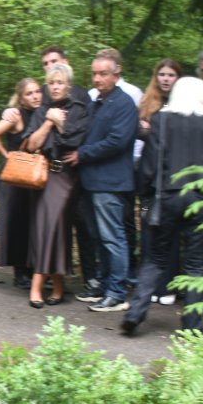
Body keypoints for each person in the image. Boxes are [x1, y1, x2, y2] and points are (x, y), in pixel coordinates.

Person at [122, 77, 203, 335]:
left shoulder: (161, 120)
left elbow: (149, 163)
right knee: (194, 264)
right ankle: (192, 325)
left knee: (156, 258)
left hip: (166, 197)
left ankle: (135, 313)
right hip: (199, 199)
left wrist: (144, 196)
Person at [64, 50, 138, 312]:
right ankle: (105, 286)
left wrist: (82, 154)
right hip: (92, 182)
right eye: (94, 74)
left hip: (110, 183)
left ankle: (117, 293)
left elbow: (117, 141)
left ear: (116, 74)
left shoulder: (124, 104)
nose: (97, 79)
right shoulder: (97, 103)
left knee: (112, 238)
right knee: (99, 239)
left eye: (103, 74)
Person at [20, 64, 88, 307]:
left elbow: (75, 139)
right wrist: (50, 122)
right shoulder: (43, 111)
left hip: (67, 178)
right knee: (48, 228)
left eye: (60, 83)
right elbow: (31, 145)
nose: (55, 87)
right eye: (51, 83)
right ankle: (58, 286)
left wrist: (59, 128)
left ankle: (36, 285)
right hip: (42, 175)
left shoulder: (78, 109)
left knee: (52, 225)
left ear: (68, 85)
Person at [0, 78, 43, 290]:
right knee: (17, 223)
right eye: (29, 93)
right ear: (21, 98)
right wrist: (6, 155)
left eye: (37, 91)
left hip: (34, 177)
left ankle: (33, 270)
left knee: (33, 223)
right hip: (15, 178)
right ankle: (20, 273)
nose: (35, 96)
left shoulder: (42, 113)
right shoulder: (17, 115)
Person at [138, 58, 183, 305]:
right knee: (148, 233)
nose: (165, 79)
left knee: (171, 234)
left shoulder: (184, 105)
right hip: (149, 180)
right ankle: (150, 286)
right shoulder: (148, 102)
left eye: (171, 75)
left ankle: (167, 285)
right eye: (162, 74)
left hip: (173, 181)